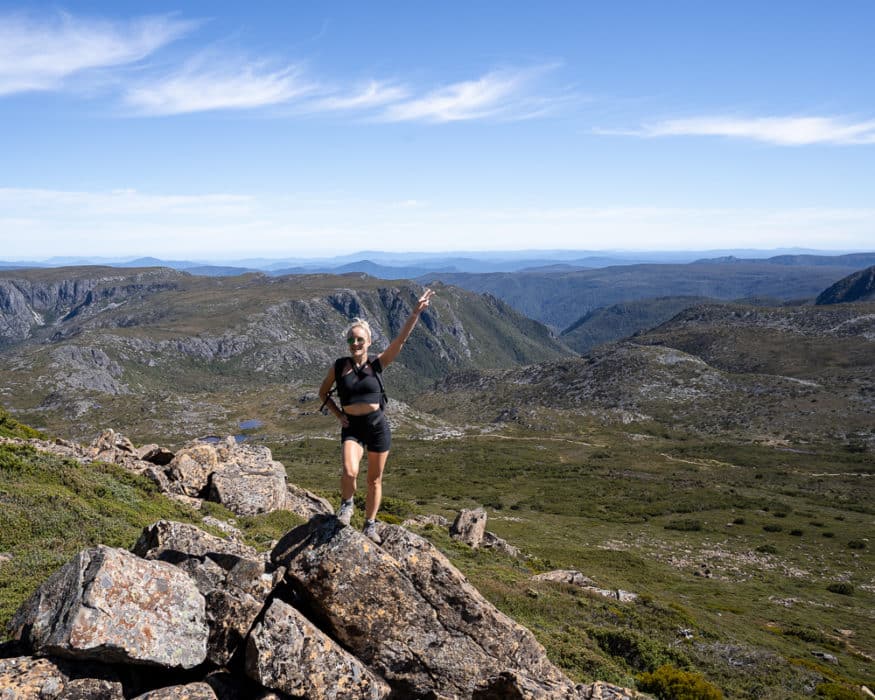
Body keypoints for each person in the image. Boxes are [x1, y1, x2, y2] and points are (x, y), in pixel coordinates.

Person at [318, 288, 436, 543]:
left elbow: (400, 341)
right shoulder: (339, 366)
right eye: (351, 340)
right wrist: (339, 416)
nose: (355, 344)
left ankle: (370, 524)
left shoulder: (377, 364)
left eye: (360, 339)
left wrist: (415, 313)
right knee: (350, 471)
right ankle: (347, 503)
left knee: (374, 480)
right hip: (353, 427)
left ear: (369, 341)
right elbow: (323, 393)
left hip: (377, 427)